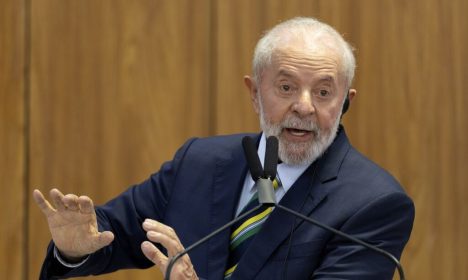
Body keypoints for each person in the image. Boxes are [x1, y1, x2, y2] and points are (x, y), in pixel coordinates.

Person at [34, 17, 415, 280]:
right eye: (285, 87)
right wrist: (74, 249)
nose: (304, 106)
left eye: (323, 92)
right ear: (254, 92)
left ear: (345, 102)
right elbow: (115, 232)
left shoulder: (374, 203)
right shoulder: (201, 162)